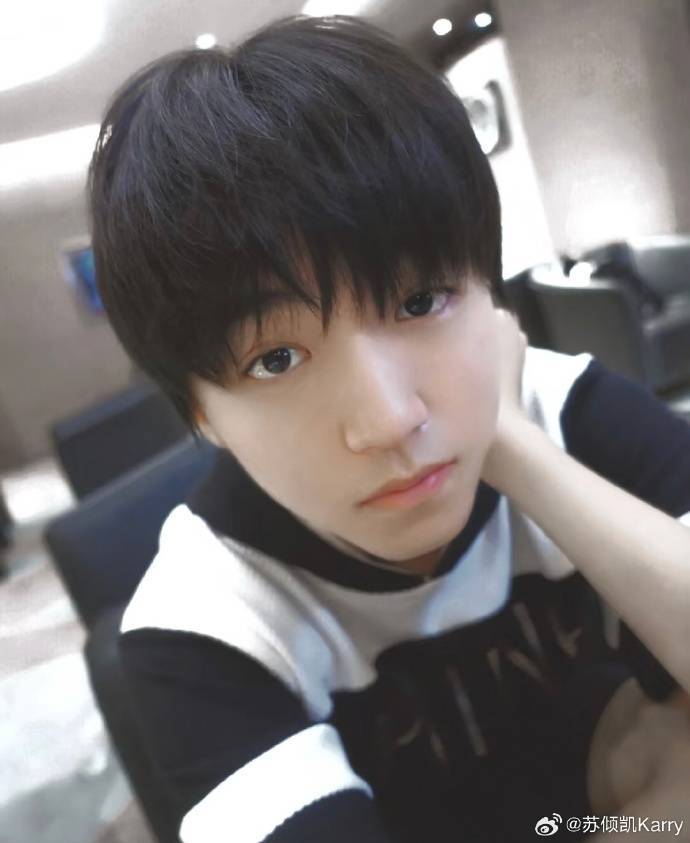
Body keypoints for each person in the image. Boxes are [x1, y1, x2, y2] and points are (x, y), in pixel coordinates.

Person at [87, 15, 690, 843]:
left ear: (490, 295)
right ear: (200, 412)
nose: (390, 419)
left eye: (419, 301)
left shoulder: (567, 411)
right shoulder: (204, 620)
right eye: (275, 358)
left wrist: (515, 448)